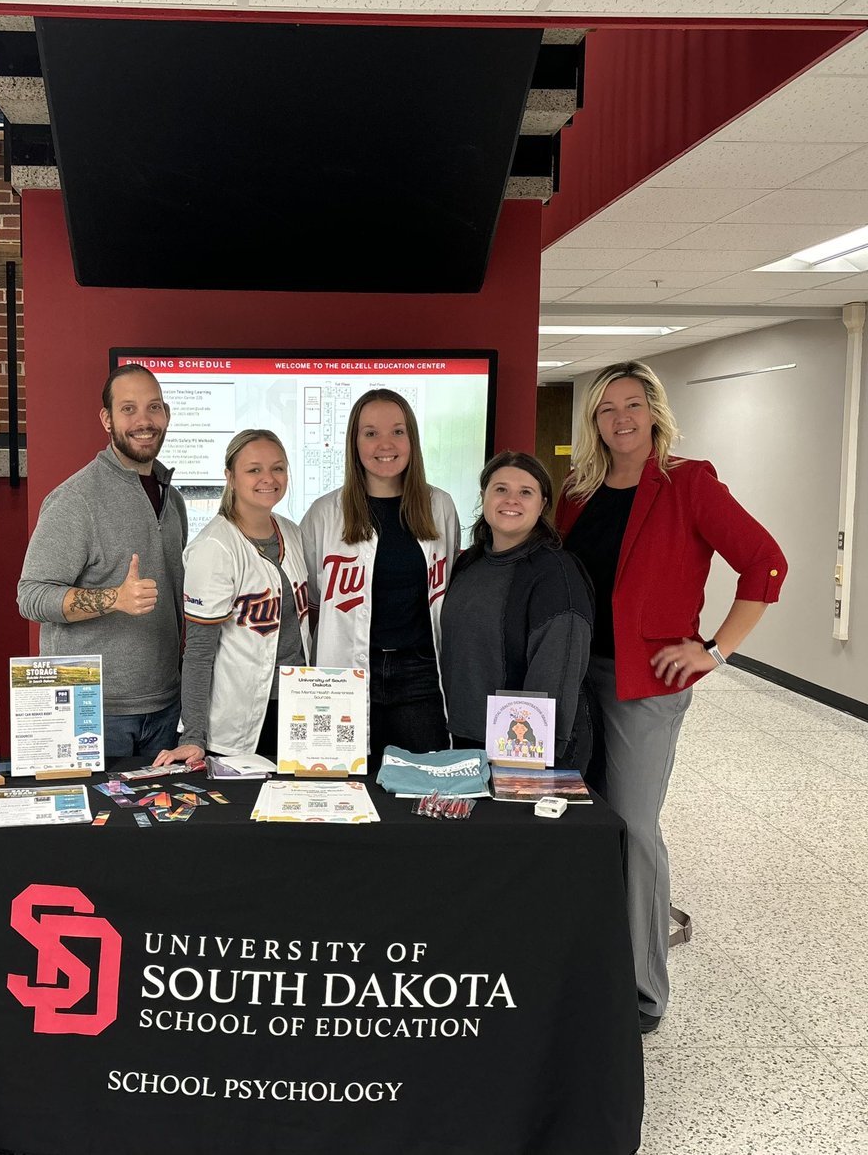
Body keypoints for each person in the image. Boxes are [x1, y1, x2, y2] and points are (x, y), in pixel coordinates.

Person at [556, 360, 786, 1035]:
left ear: (654, 410)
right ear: (594, 421)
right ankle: (590, 963)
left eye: (632, 404)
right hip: (574, 678)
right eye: (606, 409)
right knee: (582, 822)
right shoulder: (578, 490)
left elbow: (766, 564)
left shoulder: (689, 483)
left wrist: (714, 650)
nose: (620, 418)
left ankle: (642, 991)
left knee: (633, 826)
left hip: (644, 686)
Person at [17, 363, 188, 763]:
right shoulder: (76, 500)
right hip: (91, 711)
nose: (144, 421)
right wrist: (114, 598)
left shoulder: (173, 499)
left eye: (154, 407)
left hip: (165, 707)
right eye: (128, 409)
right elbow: (31, 596)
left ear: (166, 415)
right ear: (107, 420)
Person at [300, 388, 459, 766]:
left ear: (412, 439)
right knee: (342, 783)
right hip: (345, 674)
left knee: (425, 786)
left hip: (420, 673)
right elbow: (311, 599)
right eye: (370, 433)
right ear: (354, 443)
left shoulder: (439, 506)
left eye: (397, 432)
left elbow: (446, 585)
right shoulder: (324, 513)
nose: (385, 444)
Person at [153, 430, 310, 767]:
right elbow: (198, 652)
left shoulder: (292, 532)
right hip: (239, 719)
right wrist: (193, 735)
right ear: (231, 477)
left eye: (278, 468)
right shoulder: (215, 546)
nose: (268, 478)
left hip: (297, 705)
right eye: (254, 470)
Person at [440, 450, 594, 769]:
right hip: (463, 738)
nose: (512, 500)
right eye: (501, 489)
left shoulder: (556, 576)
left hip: (521, 750)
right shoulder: (469, 563)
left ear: (543, 504)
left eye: (526, 492)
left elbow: (554, 681)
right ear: (483, 496)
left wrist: (519, 766)